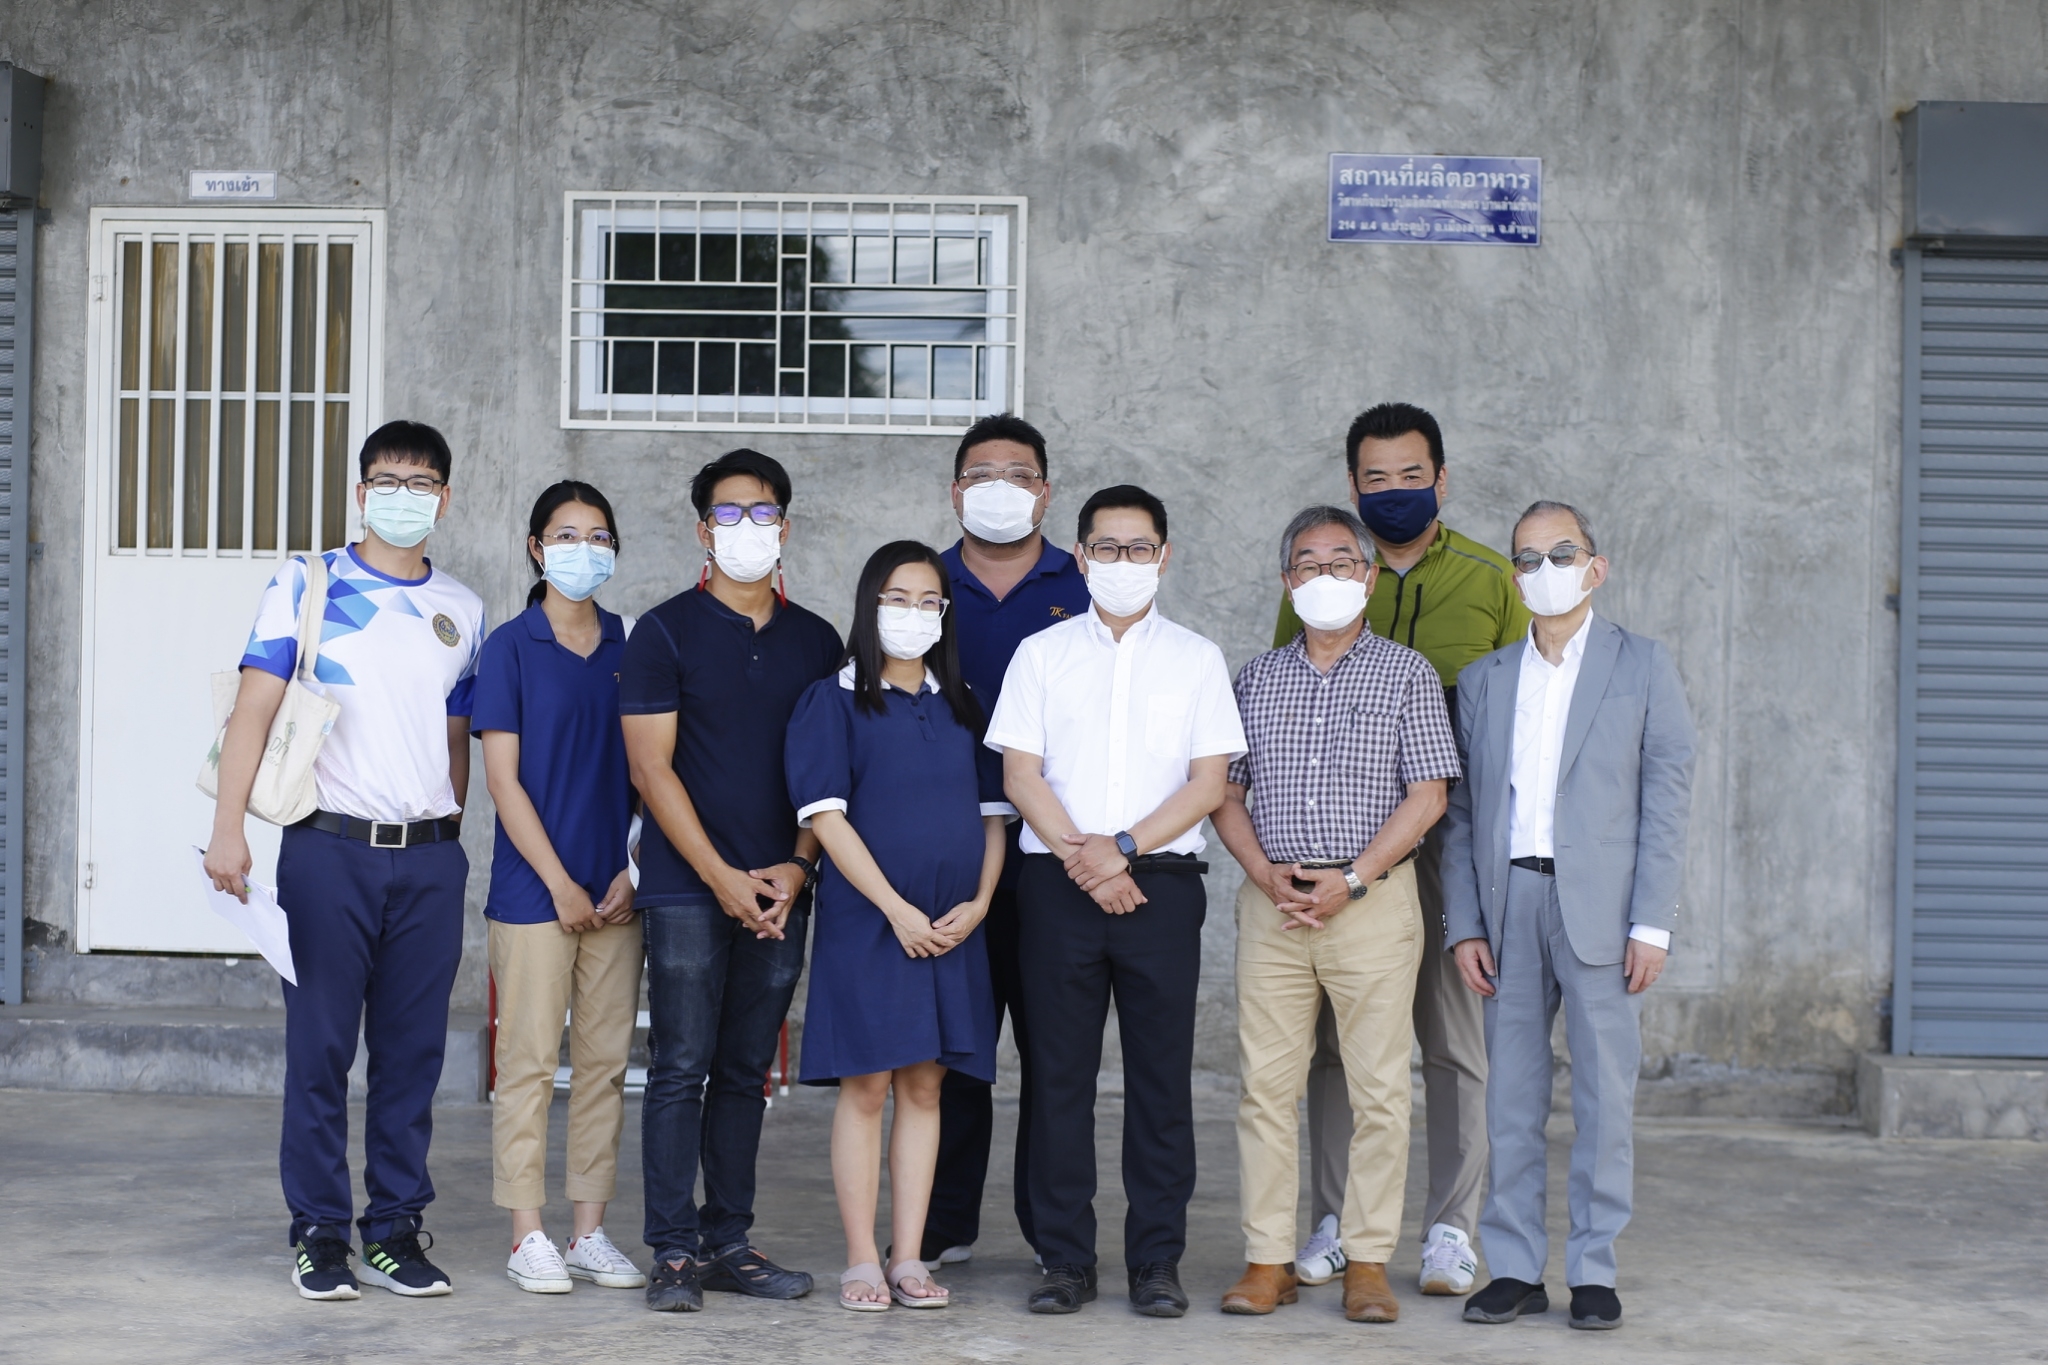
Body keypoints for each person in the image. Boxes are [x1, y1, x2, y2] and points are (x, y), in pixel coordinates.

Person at [203, 420, 484, 1301]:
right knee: (321, 1049)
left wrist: (446, 832)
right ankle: (320, 1232)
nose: (405, 495)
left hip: (430, 862)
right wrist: (227, 827)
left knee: (412, 1055)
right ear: (361, 492)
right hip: (329, 852)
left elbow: (455, 737)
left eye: (422, 482)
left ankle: (394, 1228)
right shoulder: (309, 581)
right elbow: (254, 709)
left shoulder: (464, 610)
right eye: (387, 480)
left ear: (444, 498)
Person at [1272, 402, 1527, 1294]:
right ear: (1352, 484)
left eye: (1411, 474)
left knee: (1454, 1040)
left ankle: (1451, 1226)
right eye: (1375, 477)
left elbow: (1522, 717)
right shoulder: (1322, 578)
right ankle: (1337, 1219)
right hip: (1342, 846)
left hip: (1450, 839)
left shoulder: (1492, 581)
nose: (1394, 490)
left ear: (1441, 479)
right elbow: (1284, 706)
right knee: (1336, 1043)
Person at [985, 485, 1248, 1319]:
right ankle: (1063, 1257)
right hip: (1057, 888)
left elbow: (1208, 783)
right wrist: (1090, 860)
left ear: (1164, 556)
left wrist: (1122, 849)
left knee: (1160, 1082)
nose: (1122, 561)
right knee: (1057, 1079)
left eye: (1139, 548)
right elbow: (1020, 774)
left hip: (1160, 889)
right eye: (1107, 547)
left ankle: (1156, 1260)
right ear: (1081, 554)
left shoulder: (1197, 658)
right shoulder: (1042, 653)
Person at [1442, 501, 1696, 1332]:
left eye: (1561, 552)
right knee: (1509, 1100)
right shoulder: (1486, 679)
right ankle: (1515, 1266)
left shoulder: (1643, 664)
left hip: (1605, 911)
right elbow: (1463, 813)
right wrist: (1464, 922)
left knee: (1603, 1098)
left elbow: (1667, 799)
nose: (1544, 569)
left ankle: (1593, 1267)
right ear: (1514, 577)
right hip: (1508, 904)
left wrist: (1652, 922)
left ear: (1596, 565)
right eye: (1527, 557)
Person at [1213, 505, 1461, 1324]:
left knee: (1380, 1091)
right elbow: (1226, 793)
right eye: (1308, 564)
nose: (1325, 577)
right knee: (1265, 1089)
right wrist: (1264, 873)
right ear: (1288, 581)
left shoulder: (1407, 674)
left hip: (1372, 909)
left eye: (1341, 563)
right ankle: (1267, 1260)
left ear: (1367, 576)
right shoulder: (1255, 679)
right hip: (1274, 908)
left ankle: (1367, 1262)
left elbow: (1428, 795)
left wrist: (1351, 878)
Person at [619, 448, 842, 1313]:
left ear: (786, 525)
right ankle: (673, 1250)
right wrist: (717, 875)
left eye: (763, 512)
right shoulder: (664, 631)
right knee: (681, 1064)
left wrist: (797, 865)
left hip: (782, 888)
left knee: (747, 1068)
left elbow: (828, 771)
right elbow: (651, 768)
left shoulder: (817, 640)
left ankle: (729, 1240)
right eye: (728, 512)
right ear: (702, 529)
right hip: (686, 887)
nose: (747, 527)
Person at [785, 541, 1010, 1311]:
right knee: (868, 1085)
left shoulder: (964, 702)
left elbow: (992, 816)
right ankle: (860, 1258)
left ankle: (908, 1256)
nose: (912, 613)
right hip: (871, 923)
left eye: (927, 600)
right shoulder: (833, 699)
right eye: (896, 597)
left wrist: (981, 902)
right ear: (869, 603)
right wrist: (895, 908)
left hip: (952, 927)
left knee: (926, 1084)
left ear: (944, 612)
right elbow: (827, 819)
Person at [926, 413, 1092, 1267]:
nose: (1001, 488)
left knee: (1053, 1052)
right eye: (981, 474)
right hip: (950, 852)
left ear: (1046, 492)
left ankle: (1050, 1231)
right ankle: (943, 1221)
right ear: (956, 492)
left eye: (1019, 474)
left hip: (1058, 851)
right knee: (954, 1050)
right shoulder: (921, 587)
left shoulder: (1086, 583)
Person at [475, 481, 647, 1295]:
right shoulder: (510, 646)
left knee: (605, 1064)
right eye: (567, 534)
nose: (585, 549)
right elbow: (502, 781)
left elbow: (654, 772)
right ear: (537, 548)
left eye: (599, 535)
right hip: (533, 893)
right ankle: (527, 1234)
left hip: (616, 894)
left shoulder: (634, 644)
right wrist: (560, 883)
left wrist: (629, 871)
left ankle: (587, 1231)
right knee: (529, 1064)